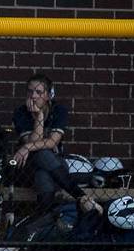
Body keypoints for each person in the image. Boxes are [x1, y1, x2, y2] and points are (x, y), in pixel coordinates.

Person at [12, 73, 103, 216]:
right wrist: (39, 117)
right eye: (30, 91)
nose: (33, 96)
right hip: (28, 167)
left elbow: (52, 142)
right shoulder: (20, 113)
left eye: (39, 92)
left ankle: (41, 225)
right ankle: (81, 197)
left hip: (56, 164)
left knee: (43, 170)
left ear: (49, 96)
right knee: (41, 155)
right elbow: (36, 143)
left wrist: (26, 147)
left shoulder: (59, 111)